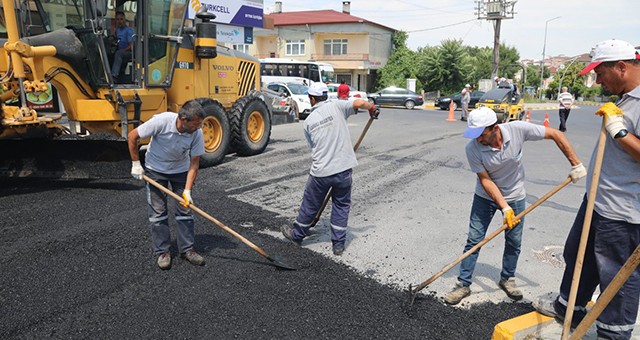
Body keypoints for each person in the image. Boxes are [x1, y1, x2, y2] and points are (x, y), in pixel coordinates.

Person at [533, 39, 640, 339]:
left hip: (624, 212)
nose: (597, 80)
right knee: (578, 256)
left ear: (621, 67)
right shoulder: (624, 98)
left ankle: (613, 334)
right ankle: (569, 308)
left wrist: (620, 133)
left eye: (600, 72)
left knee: (617, 277)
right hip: (597, 200)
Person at [444, 106, 586, 305]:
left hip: (516, 196)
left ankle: (507, 278)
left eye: (481, 134)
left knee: (514, 241)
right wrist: (504, 207)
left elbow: (555, 134)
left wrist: (576, 164)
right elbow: (485, 180)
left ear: (494, 127)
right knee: (474, 239)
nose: (477, 139)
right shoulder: (472, 148)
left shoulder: (517, 129)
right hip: (485, 197)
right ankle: (463, 284)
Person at [280, 82, 379, 256]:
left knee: (310, 205)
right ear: (326, 96)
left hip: (321, 172)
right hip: (343, 170)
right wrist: (372, 108)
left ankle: (297, 236)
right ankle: (338, 245)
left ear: (312, 99)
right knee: (341, 205)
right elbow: (359, 103)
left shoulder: (308, 121)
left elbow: (314, 146)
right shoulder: (338, 106)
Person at [127, 100, 207, 270]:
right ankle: (162, 251)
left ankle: (187, 249)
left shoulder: (196, 133)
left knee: (185, 210)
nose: (199, 127)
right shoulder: (162, 121)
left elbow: (194, 163)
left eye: (200, 123)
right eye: (196, 123)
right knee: (158, 212)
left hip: (180, 170)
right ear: (183, 119)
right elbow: (132, 136)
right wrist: (136, 164)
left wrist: (187, 190)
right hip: (155, 170)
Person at [111, 11, 134, 81]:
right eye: (117, 19)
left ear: (124, 19)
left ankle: (113, 76)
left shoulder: (129, 31)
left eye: (121, 19)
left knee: (118, 53)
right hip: (120, 51)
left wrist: (122, 50)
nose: (119, 21)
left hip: (129, 52)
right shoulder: (117, 30)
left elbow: (131, 47)